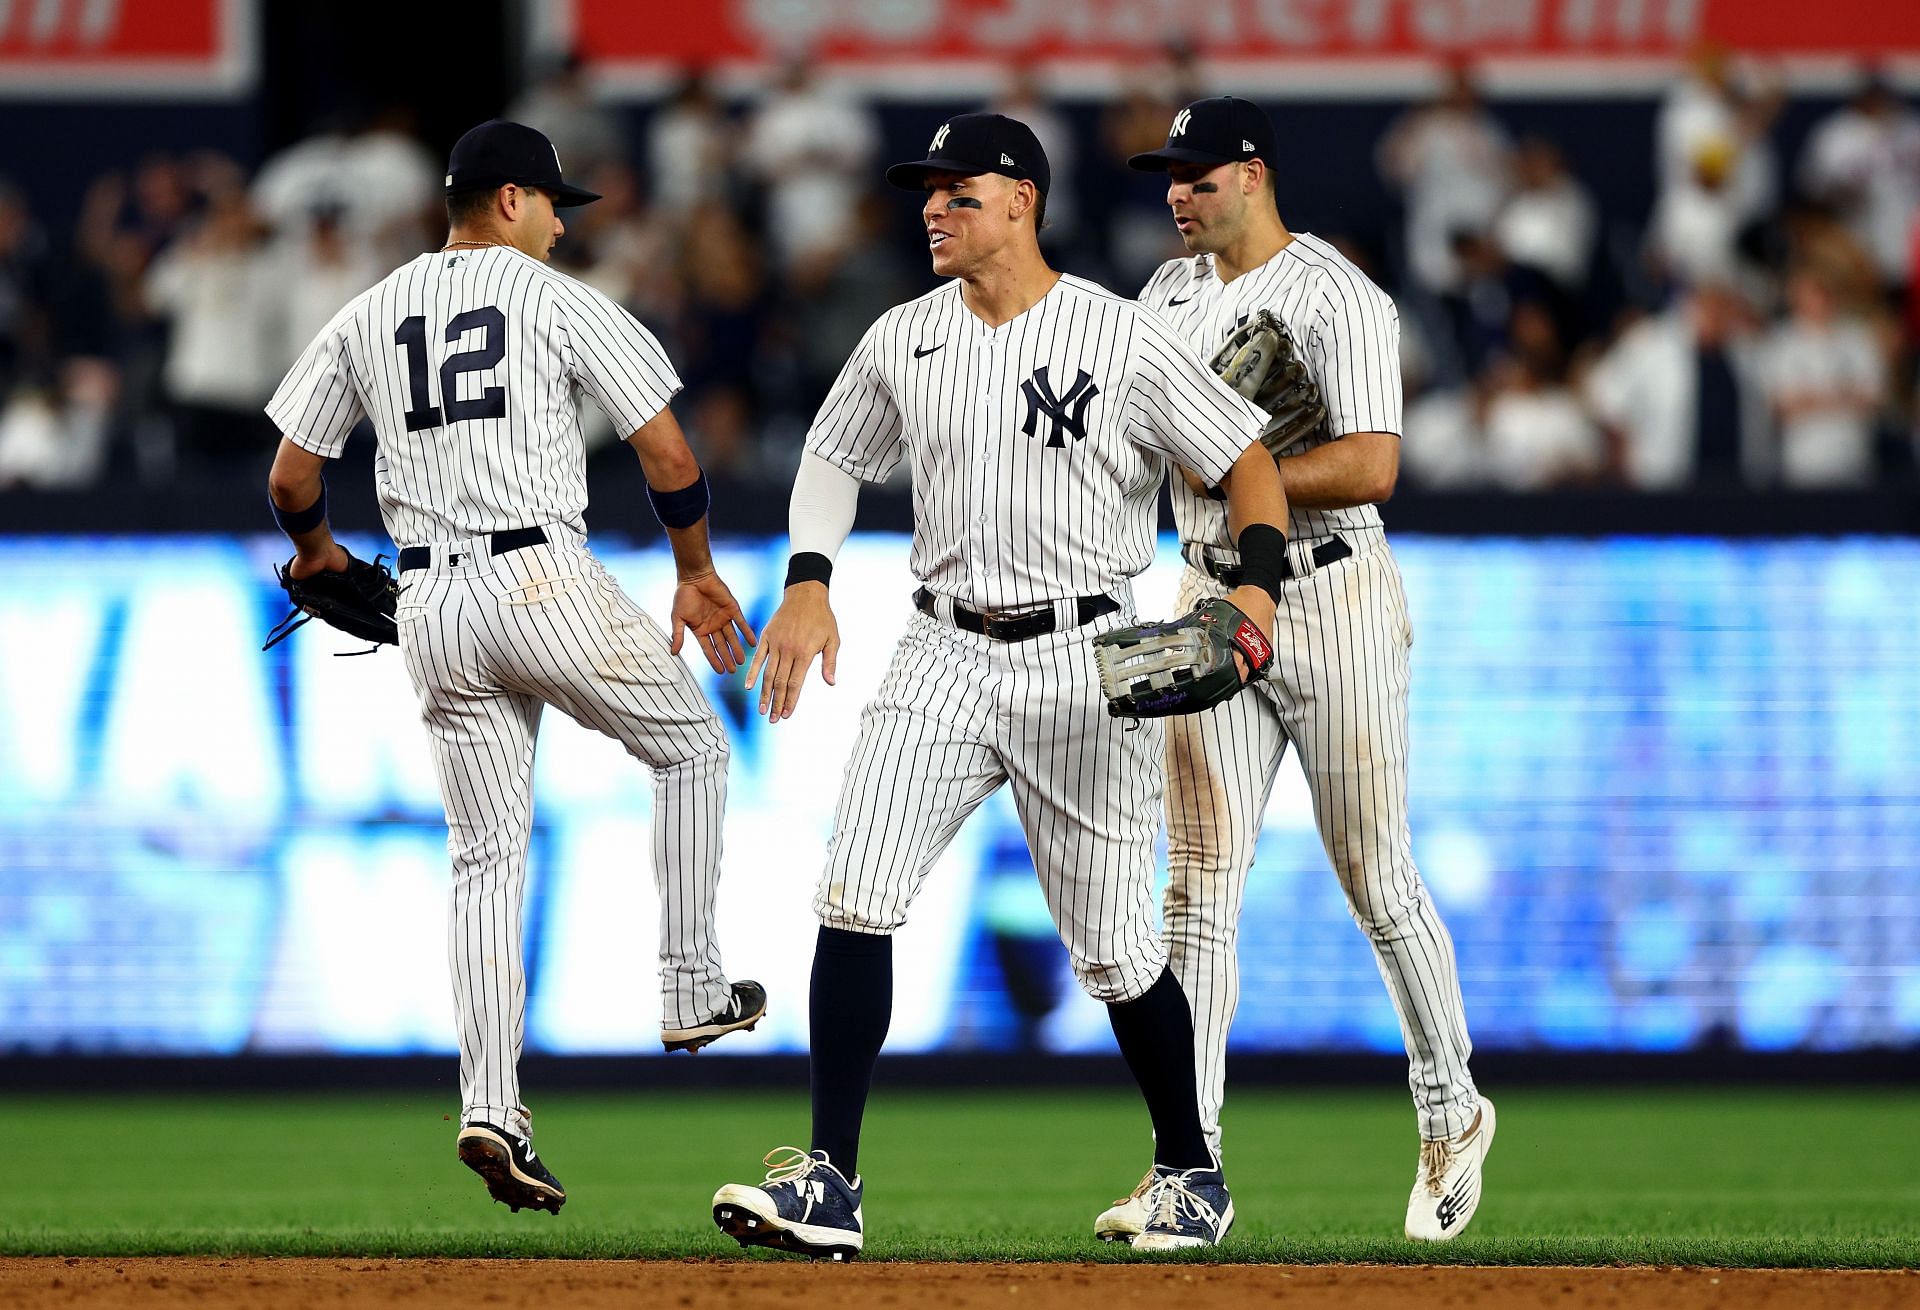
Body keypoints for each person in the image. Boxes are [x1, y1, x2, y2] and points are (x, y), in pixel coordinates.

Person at [709, 112, 1291, 1258]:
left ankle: (1189, 1168)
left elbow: (1246, 459)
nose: (933, 208)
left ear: (1022, 199)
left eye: (958, 192)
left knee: (1119, 948)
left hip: (1086, 652)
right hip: (941, 647)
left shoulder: (1115, 337)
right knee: (855, 889)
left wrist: (1259, 592)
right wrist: (812, 578)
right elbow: (831, 457)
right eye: (927, 192)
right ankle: (831, 1179)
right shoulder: (903, 337)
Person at [262, 120, 766, 1216]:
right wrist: (694, 569)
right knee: (691, 747)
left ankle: (491, 1103)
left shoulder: (369, 308)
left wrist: (314, 554)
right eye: (551, 205)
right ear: (506, 202)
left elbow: (293, 474)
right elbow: (668, 450)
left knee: (485, 858)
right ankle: (691, 985)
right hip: (539, 573)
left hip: (433, 601)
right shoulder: (557, 296)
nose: (558, 222)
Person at [1110, 96, 1493, 1244]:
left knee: (1374, 868)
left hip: (1334, 590)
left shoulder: (1337, 292)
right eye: (1166, 176)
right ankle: (1194, 1166)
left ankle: (1451, 1104)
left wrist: (1246, 472)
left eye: (1196, 173)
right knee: (1197, 882)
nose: (1176, 192)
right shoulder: (1162, 298)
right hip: (1209, 589)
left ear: (1253, 173)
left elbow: (1376, 462)